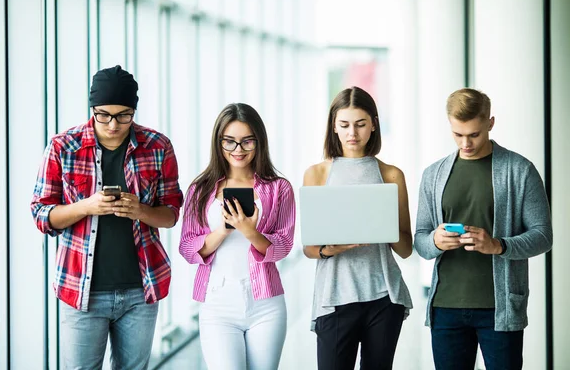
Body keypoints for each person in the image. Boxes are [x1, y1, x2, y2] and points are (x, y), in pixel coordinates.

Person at [30, 65, 183, 369]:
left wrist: (141, 210)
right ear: (92, 109)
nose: (113, 124)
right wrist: (86, 206)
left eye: (124, 115)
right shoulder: (64, 147)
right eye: (104, 114)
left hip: (141, 290)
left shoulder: (157, 146)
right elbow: (41, 214)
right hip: (81, 290)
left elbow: (171, 215)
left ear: (134, 110)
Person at [414, 88, 553, 370]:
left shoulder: (520, 170)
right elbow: (420, 239)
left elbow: (543, 236)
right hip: (446, 307)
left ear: (490, 123)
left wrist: (498, 245)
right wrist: (436, 241)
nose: (466, 143)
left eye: (474, 134)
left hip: (499, 310)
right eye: (458, 134)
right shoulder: (433, 174)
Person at [302, 86, 413, 370]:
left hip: (384, 297)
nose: (353, 133)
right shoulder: (317, 173)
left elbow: (405, 248)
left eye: (361, 124)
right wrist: (330, 249)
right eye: (345, 125)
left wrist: (383, 227)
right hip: (335, 297)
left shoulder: (391, 174)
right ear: (334, 127)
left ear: (373, 124)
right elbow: (309, 248)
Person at [179, 103, 296, 370]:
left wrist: (250, 232)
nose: (238, 150)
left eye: (246, 142)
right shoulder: (201, 189)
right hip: (217, 303)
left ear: (259, 142)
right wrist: (223, 230)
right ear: (218, 143)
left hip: (266, 304)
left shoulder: (279, 188)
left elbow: (285, 245)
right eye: (229, 142)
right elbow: (187, 248)